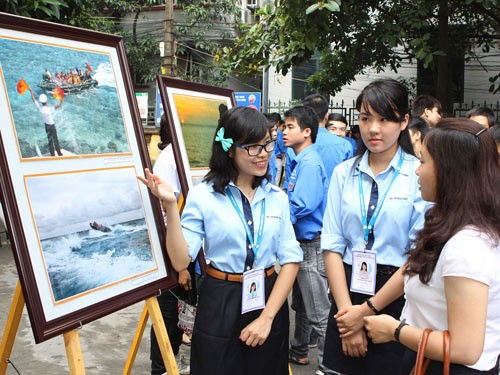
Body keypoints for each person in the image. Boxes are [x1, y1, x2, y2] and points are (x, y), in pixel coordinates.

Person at [139, 106, 302, 374]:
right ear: (229, 148)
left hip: (268, 295)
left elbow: (292, 259)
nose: (263, 155)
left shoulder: (277, 197)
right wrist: (170, 206)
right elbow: (181, 259)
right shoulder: (203, 196)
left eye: (267, 145)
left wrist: (267, 318)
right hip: (220, 297)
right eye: (252, 147)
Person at [360, 118, 500, 374]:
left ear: (449, 171)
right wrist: (369, 308)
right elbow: (414, 267)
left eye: (423, 161)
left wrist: (395, 330)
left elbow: (465, 349)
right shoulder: (449, 222)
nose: (417, 170)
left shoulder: (468, 246)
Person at [321, 78, 428, 375]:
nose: (374, 129)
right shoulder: (343, 173)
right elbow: (331, 246)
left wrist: (366, 312)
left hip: (395, 297)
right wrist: (347, 319)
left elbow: (417, 257)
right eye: (366, 119)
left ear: (404, 121)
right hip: (346, 290)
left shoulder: (418, 175)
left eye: (385, 119)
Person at [283, 105, 330, 375]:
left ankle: (327, 366)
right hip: (302, 245)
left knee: (318, 314)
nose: (284, 132)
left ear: (307, 131)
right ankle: (300, 351)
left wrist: (273, 216)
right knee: (301, 306)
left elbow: (302, 204)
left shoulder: (309, 163)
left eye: (290, 127)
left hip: (310, 247)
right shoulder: (300, 159)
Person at [150, 115, 192, 375]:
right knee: (168, 322)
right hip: (173, 257)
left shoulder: (183, 155)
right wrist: (181, 268)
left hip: (185, 255)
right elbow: (168, 216)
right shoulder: (169, 159)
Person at [28, 87, 64, 156]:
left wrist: (31, 91)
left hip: (46, 126)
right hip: (52, 126)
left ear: (41, 102)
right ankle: (59, 153)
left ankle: (52, 154)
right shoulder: (49, 109)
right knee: (55, 140)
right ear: (46, 101)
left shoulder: (40, 108)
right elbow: (58, 105)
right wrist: (61, 98)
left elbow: (34, 99)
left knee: (50, 141)